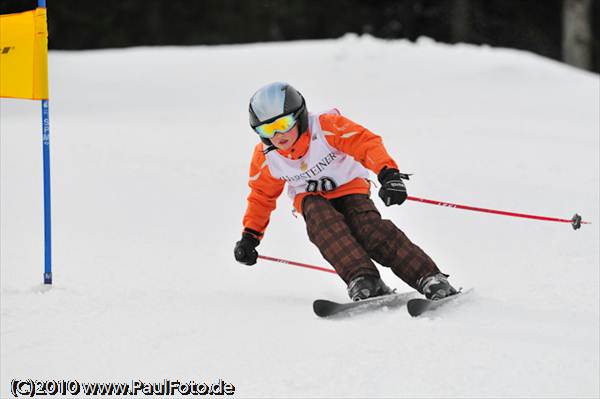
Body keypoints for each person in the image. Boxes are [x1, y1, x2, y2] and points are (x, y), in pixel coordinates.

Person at [234, 82, 458, 301]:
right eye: (267, 129)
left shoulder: (325, 127)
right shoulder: (267, 158)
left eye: (283, 123)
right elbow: (261, 196)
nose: (278, 134)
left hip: (350, 188)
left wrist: (388, 175)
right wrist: (250, 237)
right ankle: (363, 279)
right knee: (321, 221)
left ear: (299, 116)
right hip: (311, 198)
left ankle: (428, 277)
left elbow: (365, 143)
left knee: (368, 230)